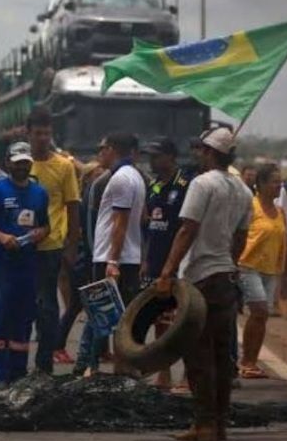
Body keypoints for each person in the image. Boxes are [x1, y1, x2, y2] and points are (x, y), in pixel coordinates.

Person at [156, 127, 253, 441]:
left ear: (210, 153)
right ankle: (220, 423)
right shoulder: (243, 190)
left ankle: (204, 423)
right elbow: (240, 238)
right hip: (225, 276)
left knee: (198, 352)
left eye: (201, 150)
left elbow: (187, 230)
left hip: (200, 278)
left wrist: (167, 272)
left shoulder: (201, 183)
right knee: (222, 354)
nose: (197, 154)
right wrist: (230, 262)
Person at [0, 142, 49, 387]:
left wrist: (40, 233)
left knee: (23, 319)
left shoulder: (40, 193)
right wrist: (1, 237)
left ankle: (18, 373)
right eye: (17, 163)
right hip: (0, 265)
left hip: (27, 266)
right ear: (8, 163)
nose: (22, 167)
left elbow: (45, 225)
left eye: (26, 162)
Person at [74, 132, 146, 376]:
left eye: (102, 148)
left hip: (112, 257)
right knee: (120, 318)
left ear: (113, 150)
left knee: (101, 314)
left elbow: (120, 222)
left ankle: (89, 367)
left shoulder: (121, 179)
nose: (99, 153)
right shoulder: (133, 176)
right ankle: (119, 368)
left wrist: (112, 260)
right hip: (126, 256)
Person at [27, 107, 80, 375]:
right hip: (22, 246)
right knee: (25, 304)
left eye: (47, 133)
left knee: (46, 306)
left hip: (51, 247)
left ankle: (44, 363)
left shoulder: (64, 166)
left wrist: (71, 246)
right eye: (38, 134)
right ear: (29, 135)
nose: (43, 138)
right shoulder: (21, 165)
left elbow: (73, 207)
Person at [140, 137, 192, 387]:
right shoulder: (154, 185)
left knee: (183, 321)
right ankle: (164, 372)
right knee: (161, 320)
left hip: (179, 261)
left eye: (157, 155)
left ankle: (188, 374)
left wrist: (176, 263)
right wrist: (145, 259)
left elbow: (188, 227)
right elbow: (150, 225)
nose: (152, 160)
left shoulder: (185, 184)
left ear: (171, 156)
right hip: (156, 259)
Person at [237, 163, 286, 380]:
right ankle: (246, 362)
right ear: (262, 184)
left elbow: (284, 242)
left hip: (270, 269)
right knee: (259, 311)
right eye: (275, 181)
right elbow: (238, 235)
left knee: (261, 317)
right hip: (248, 265)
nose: (279, 185)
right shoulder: (251, 206)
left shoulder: (280, 212)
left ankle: (251, 362)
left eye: (280, 181)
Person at [54, 161, 104, 365]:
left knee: (90, 303)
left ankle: (100, 349)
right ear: (88, 177)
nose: (101, 178)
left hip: (85, 256)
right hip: (82, 257)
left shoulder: (94, 198)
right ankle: (59, 347)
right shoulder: (83, 201)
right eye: (97, 174)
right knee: (79, 304)